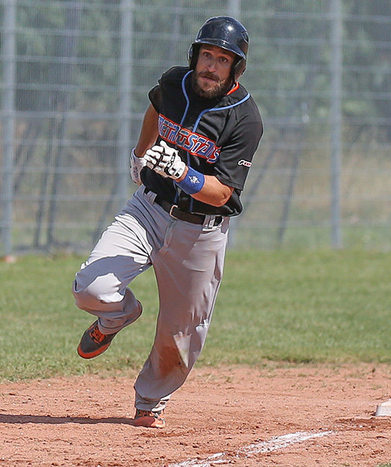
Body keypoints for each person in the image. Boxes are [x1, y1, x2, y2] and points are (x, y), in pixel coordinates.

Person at [72, 16, 263, 428]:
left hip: (200, 231)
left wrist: (184, 173)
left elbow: (224, 193)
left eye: (223, 60)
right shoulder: (175, 83)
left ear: (236, 68)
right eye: (207, 55)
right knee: (91, 288)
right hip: (148, 209)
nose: (211, 66)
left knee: (182, 332)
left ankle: (149, 401)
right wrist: (140, 153)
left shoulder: (244, 119)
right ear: (195, 56)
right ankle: (118, 315)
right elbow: (156, 109)